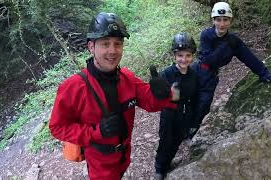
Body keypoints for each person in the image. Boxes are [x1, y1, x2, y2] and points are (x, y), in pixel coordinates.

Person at [49, 12, 180, 180]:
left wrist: (164, 93)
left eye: (118, 44)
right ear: (91, 47)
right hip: (100, 163)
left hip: (124, 155)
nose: (112, 51)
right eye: (105, 44)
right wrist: (95, 132)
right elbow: (57, 127)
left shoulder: (127, 78)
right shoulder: (74, 87)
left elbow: (150, 102)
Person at [191, 2, 271, 136]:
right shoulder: (206, 35)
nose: (222, 24)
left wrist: (263, 72)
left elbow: (248, 57)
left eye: (225, 20)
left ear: (230, 20)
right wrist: (225, 45)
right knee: (188, 98)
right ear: (213, 20)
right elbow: (208, 59)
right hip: (197, 71)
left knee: (204, 104)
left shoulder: (233, 41)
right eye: (218, 20)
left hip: (211, 76)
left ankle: (192, 131)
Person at [154, 32, 199, 180]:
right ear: (174, 55)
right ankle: (160, 169)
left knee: (178, 139)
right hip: (168, 113)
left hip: (184, 113)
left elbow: (193, 97)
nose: (184, 59)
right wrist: (165, 93)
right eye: (180, 55)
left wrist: (193, 120)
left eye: (187, 55)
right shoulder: (167, 73)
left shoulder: (193, 75)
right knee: (166, 140)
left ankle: (168, 163)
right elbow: (156, 94)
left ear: (192, 56)